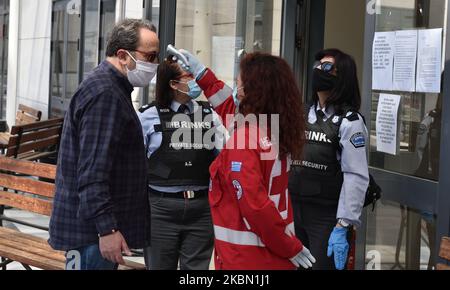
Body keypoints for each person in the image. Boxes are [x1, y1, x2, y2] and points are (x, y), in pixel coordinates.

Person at [175, 50, 316, 270]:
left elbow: (256, 206)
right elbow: (228, 108)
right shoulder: (274, 127)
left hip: (247, 259)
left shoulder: (244, 139)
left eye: (238, 84)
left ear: (253, 91)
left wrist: (290, 247)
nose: (235, 90)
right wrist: (203, 75)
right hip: (273, 256)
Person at [49, 19, 160, 270]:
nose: (154, 65)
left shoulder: (111, 88)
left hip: (94, 234)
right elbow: (92, 173)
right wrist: (107, 229)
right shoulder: (105, 95)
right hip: (93, 237)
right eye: (150, 56)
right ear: (123, 55)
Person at [138, 57, 227, 270]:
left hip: (201, 209)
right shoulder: (147, 116)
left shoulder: (210, 115)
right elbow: (133, 166)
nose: (195, 81)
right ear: (173, 83)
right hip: (160, 209)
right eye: (189, 77)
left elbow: (224, 157)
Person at [289, 49, 370, 270]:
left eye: (326, 67)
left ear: (341, 76)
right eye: (318, 66)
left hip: (326, 218)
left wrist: (343, 224)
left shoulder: (350, 121)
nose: (318, 71)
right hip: (293, 210)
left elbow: (356, 176)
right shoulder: (300, 114)